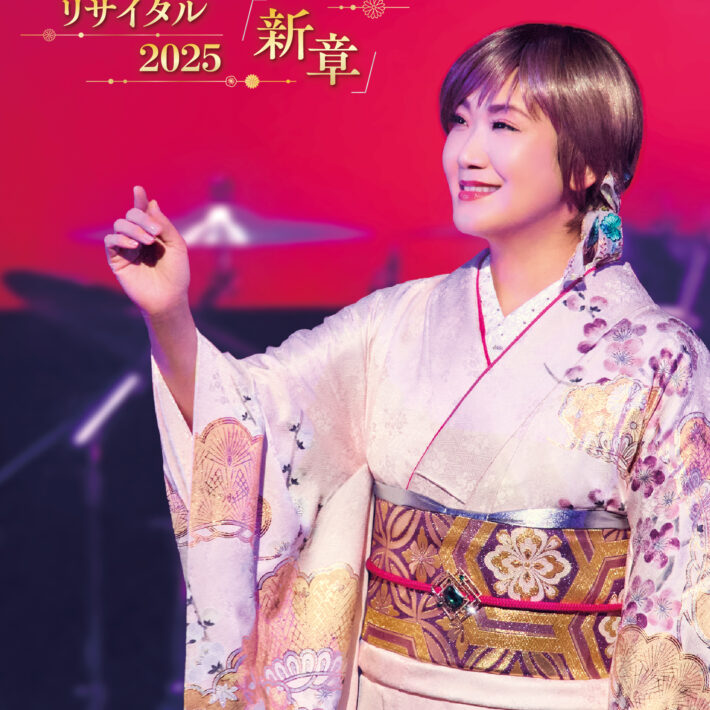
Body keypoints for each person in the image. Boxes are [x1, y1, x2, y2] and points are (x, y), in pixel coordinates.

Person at [104, 22, 710, 710]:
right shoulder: (393, 323)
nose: (466, 153)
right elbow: (248, 417)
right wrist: (170, 315)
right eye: (460, 122)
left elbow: (681, 600)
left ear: (589, 161)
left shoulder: (661, 360)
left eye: (503, 125)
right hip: (385, 690)